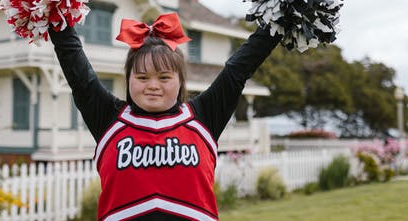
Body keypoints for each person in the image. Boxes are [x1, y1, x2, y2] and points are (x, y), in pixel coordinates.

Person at [48, 12, 281, 221]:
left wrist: (278, 17)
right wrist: (55, 8)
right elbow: (75, 65)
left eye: (164, 77)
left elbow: (238, 69)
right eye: (141, 77)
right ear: (128, 79)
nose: (152, 86)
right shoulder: (109, 118)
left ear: (180, 81)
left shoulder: (202, 117)